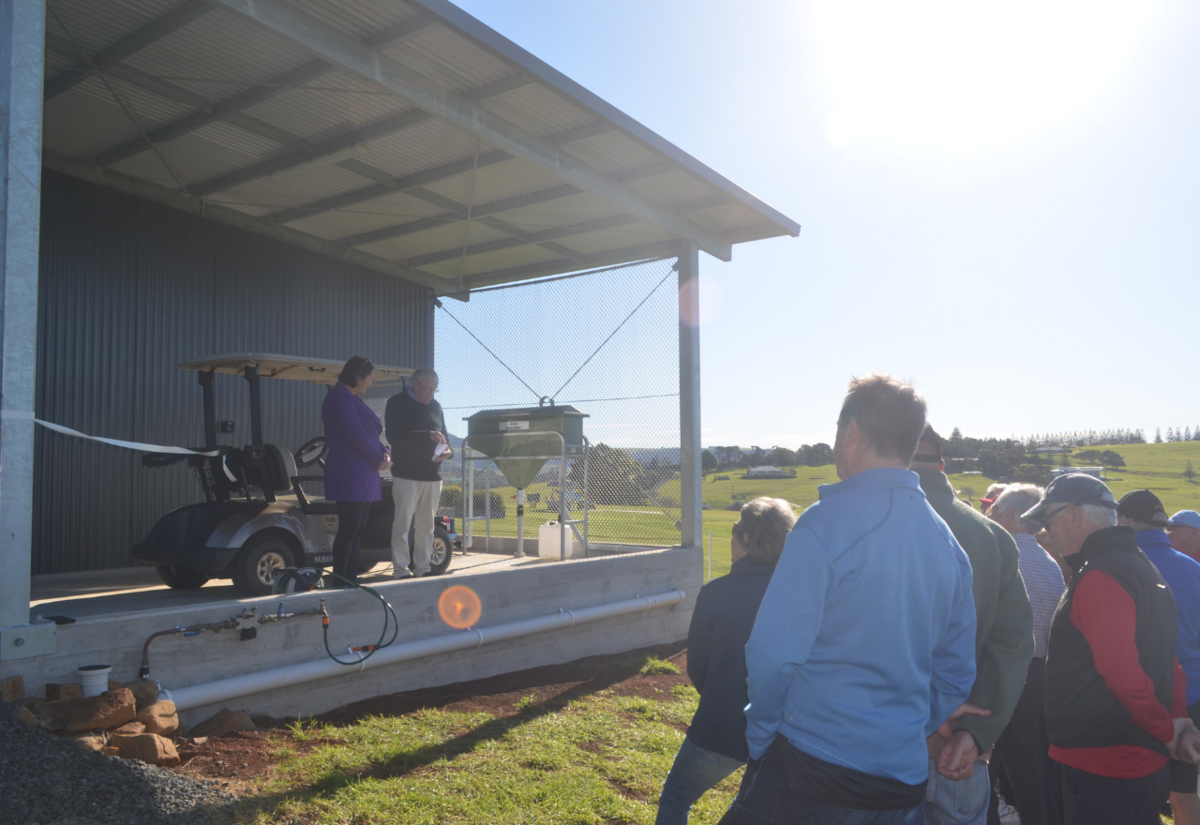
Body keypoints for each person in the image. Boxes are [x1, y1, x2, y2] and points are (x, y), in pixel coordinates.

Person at [724, 374, 979, 825]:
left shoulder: (824, 524)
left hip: (811, 771)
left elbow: (772, 652)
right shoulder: (948, 545)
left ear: (852, 432)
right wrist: (900, 731)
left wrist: (760, 733)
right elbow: (955, 674)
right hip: (901, 783)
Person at [1023, 474, 1200, 825]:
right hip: (1136, 758)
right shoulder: (1140, 564)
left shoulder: (1100, 575)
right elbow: (1169, 662)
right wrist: (1175, 724)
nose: (1048, 533)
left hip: (1104, 761)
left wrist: (1168, 730)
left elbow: (1124, 675)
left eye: (1048, 521)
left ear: (1074, 515)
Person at [910, 426, 1034, 825]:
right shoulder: (992, 535)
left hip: (873, 752)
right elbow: (1012, 645)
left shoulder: (858, 524)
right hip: (960, 749)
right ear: (942, 465)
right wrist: (977, 731)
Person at [655, 497, 797, 825]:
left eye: (735, 530)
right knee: (751, 806)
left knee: (675, 797)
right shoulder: (796, 596)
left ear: (746, 539)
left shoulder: (715, 593)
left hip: (719, 728)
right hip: (781, 734)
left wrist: (722, 694)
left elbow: (698, 667)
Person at [1116, 490, 1200, 825]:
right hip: (1192, 694)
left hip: (1140, 699)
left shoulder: (1119, 567)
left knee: (1136, 794)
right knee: (1183, 791)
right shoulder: (1193, 567)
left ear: (1124, 521)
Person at [987, 483, 1066, 825]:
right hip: (1040, 674)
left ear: (1008, 515)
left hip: (1002, 670)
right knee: (1028, 761)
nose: (988, 516)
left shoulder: (998, 555)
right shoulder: (1049, 561)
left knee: (986, 758)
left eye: (993, 511)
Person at [322, 356, 390, 585]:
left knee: (358, 528)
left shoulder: (351, 398)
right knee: (349, 528)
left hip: (363, 473)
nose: (371, 383)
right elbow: (355, 435)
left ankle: (350, 578)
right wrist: (378, 458)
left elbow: (368, 434)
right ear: (358, 377)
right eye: (370, 378)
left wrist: (385, 453)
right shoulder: (339, 398)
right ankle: (341, 578)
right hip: (350, 472)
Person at [385, 368, 451, 579]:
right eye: (428, 389)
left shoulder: (436, 406)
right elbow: (394, 437)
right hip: (406, 475)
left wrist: (448, 453)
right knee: (402, 525)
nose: (431, 394)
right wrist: (426, 436)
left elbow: (445, 438)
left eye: (435, 390)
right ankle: (401, 569)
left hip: (432, 476)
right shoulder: (396, 403)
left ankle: (423, 568)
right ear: (415, 384)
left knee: (427, 527)